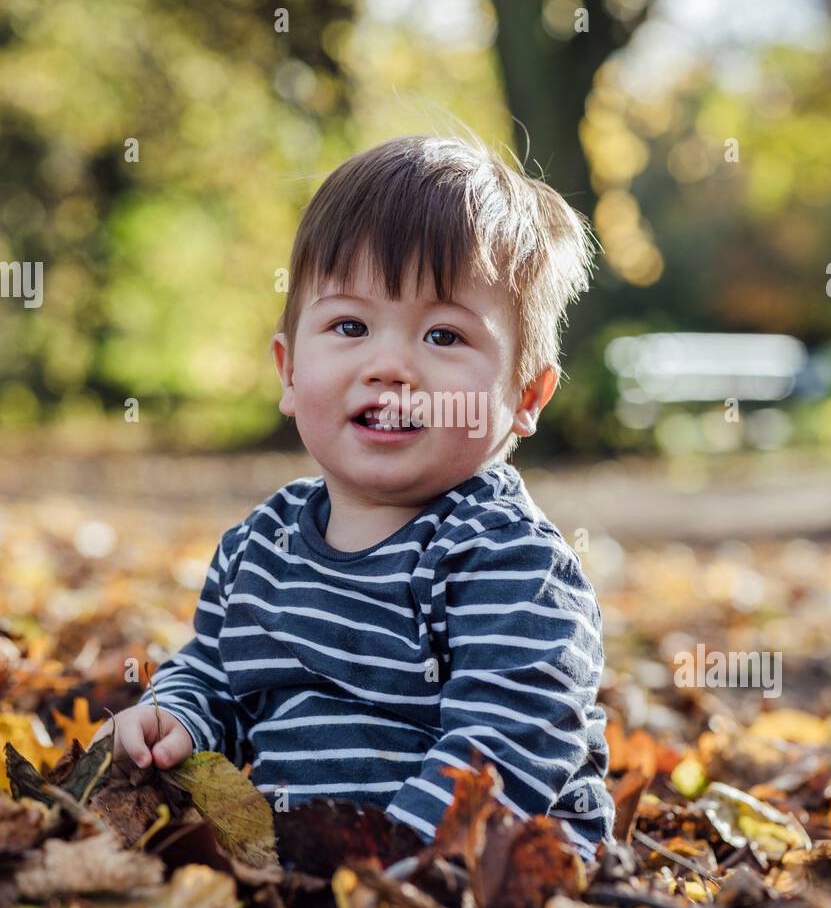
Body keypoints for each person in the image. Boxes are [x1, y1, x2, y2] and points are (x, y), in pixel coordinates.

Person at [93, 133, 615, 864]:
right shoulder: (261, 546)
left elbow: (506, 743)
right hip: (308, 871)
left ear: (525, 395)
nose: (389, 366)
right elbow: (218, 673)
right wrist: (177, 712)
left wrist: (388, 867)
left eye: (442, 334)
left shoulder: (504, 560)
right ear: (289, 369)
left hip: (476, 882)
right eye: (349, 326)